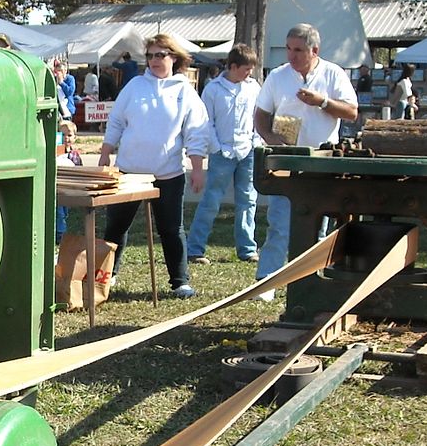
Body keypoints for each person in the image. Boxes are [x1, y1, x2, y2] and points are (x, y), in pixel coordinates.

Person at [97, 33, 209, 299]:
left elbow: (196, 132)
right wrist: (105, 154)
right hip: (129, 171)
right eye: (150, 56)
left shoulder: (184, 91)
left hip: (168, 173)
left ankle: (180, 281)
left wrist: (197, 168)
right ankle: (107, 276)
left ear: (174, 57)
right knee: (116, 226)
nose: (154, 60)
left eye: (160, 55)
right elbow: (116, 122)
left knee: (171, 228)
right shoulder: (134, 86)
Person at [251, 23, 358, 301]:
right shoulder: (278, 76)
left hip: (322, 161)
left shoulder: (333, 73)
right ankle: (267, 281)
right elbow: (260, 115)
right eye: (288, 49)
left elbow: (351, 112)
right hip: (287, 160)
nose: (291, 55)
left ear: (314, 50)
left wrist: (322, 102)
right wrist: (271, 138)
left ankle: (310, 280)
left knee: (318, 224)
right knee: (279, 222)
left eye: (298, 50)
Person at [186, 43, 261, 266]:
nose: (249, 73)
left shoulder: (253, 88)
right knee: (211, 201)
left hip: (247, 151)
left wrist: (255, 142)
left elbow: (258, 117)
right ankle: (195, 248)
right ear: (233, 66)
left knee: (248, 200)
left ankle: (247, 249)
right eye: (246, 69)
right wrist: (217, 147)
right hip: (222, 152)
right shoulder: (213, 89)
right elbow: (206, 122)